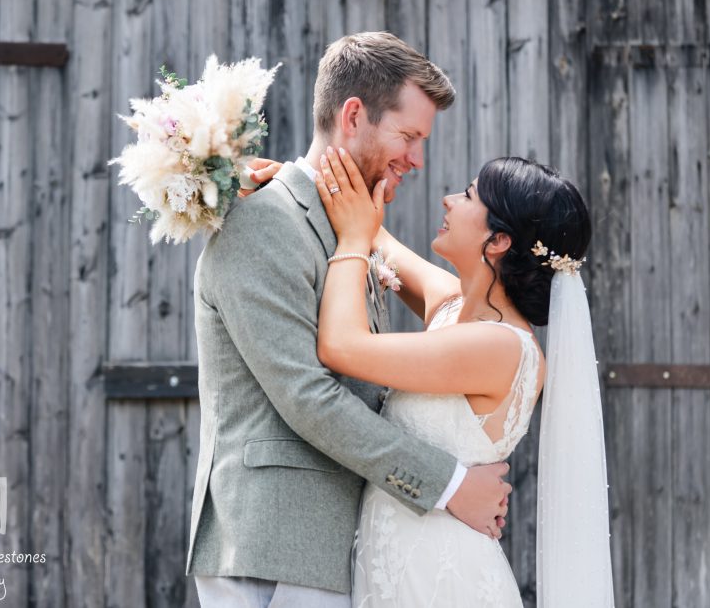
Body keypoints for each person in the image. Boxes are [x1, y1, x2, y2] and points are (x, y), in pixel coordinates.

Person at [188, 32, 513, 608]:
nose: (416, 158)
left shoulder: (351, 225)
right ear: (354, 115)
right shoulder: (264, 223)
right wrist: (452, 484)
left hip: (336, 547)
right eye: (408, 136)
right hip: (275, 546)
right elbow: (307, 395)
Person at [312, 150, 615, 607]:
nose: (449, 200)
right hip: (395, 565)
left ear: (497, 241)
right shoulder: (455, 306)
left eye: (469, 195)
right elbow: (375, 233)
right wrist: (297, 179)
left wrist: (353, 237)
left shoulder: (499, 347)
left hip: (439, 578)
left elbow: (340, 346)